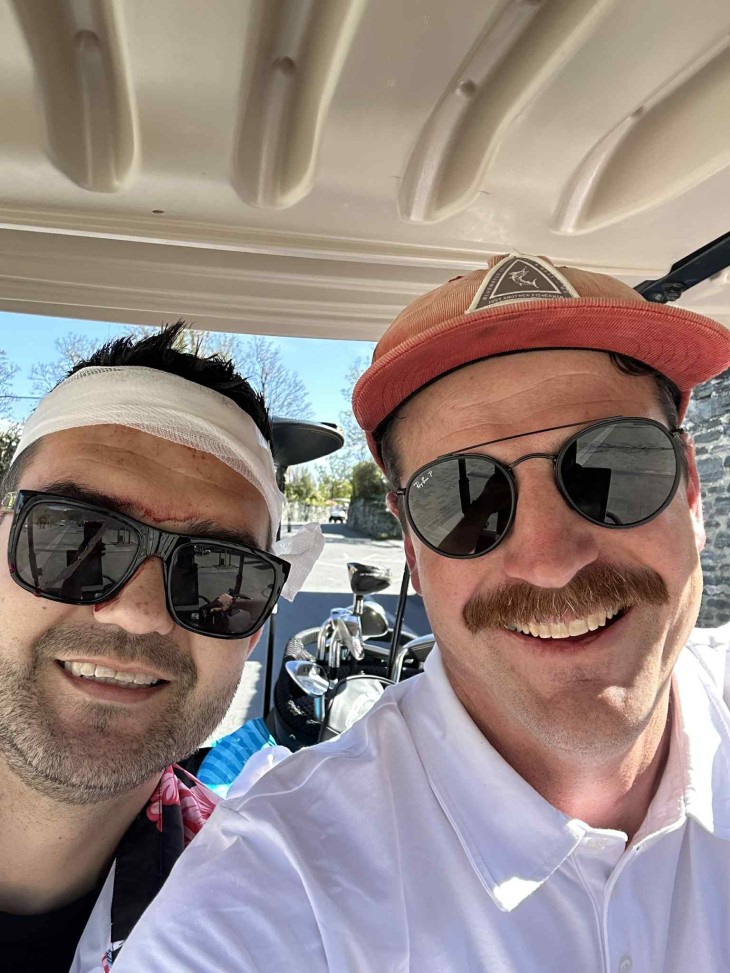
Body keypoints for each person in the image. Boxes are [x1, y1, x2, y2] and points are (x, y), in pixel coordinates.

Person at [114, 253, 730, 972]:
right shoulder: (270, 886)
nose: (550, 558)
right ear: (413, 545)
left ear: (689, 491)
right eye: (464, 499)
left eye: (613, 469)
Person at [0, 322, 321, 973]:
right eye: (75, 539)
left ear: (255, 624)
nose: (139, 614)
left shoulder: (269, 919)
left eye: (219, 572)